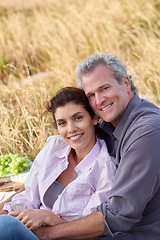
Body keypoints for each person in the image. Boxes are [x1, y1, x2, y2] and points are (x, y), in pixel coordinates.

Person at [25, 53, 160, 239]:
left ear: (126, 83)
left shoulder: (146, 132)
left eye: (104, 88)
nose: (99, 100)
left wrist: (46, 234)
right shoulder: (107, 123)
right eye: (91, 95)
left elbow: (118, 216)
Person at [0, 86, 116, 239]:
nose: (71, 129)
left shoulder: (105, 168)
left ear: (94, 118)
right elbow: (29, 194)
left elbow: (90, 230)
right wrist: (8, 210)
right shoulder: (53, 146)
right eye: (62, 123)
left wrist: (48, 217)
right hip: (28, 231)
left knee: (6, 226)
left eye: (78, 118)